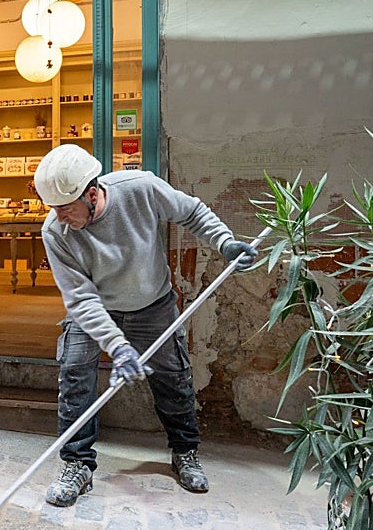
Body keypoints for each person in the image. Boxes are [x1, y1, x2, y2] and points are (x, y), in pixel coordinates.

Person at [32, 144, 256, 504]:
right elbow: (80, 298)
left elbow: (192, 212)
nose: (59, 217)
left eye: (65, 208)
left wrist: (225, 242)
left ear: (92, 194)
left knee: (172, 377)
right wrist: (117, 345)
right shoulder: (56, 233)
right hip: (95, 310)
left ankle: (185, 451)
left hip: (152, 304)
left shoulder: (140, 188)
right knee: (75, 374)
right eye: (53, 209)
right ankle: (77, 464)